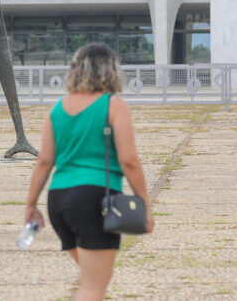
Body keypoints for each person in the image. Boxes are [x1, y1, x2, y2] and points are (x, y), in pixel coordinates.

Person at [22, 43, 154, 301]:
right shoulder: (113, 106)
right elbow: (129, 160)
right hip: (93, 201)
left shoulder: (57, 109)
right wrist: (144, 204)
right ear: (111, 70)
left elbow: (44, 162)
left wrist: (30, 204)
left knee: (91, 283)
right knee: (92, 289)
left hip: (58, 202)